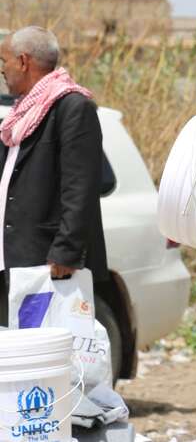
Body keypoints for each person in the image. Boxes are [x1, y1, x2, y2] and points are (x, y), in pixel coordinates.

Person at [0, 26, 108, 326]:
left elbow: (80, 187)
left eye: (4, 62)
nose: (2, 71)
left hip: (47, 263)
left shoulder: (73, 108)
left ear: (23, 61)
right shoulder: (19, 115)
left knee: (51, 359)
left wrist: (65, 251)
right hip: (14, 260)